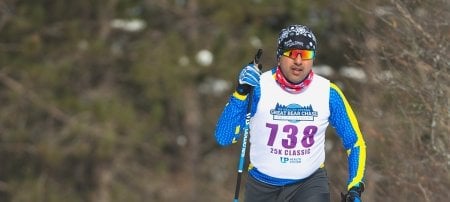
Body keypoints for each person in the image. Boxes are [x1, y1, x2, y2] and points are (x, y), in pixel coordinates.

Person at [214, 24, 366, 202]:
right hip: (262, 186)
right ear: (279, 56)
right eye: (292, 53)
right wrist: (240, 94)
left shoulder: (328, 93)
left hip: (309, 185)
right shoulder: (258, 88)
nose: (299, 61)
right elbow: (224, 137)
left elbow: (355, 142)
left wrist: (355, 186)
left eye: (306, 54)